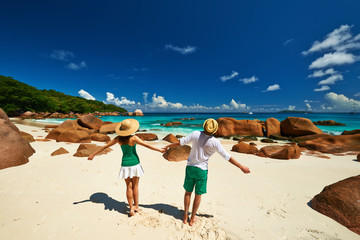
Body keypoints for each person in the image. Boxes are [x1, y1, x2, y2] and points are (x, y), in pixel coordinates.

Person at [163, 118, 250, 226]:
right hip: (202, 171)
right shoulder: (215, 142)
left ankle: (185, 215)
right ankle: (193, 218)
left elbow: (180, 142)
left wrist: (167, 146)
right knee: (198, 195)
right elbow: (227, 157)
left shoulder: (195, 134)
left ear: (204, 126)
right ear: (215, 130)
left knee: (187, 193)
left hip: (190, 168)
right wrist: (241, 166)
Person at [88, 119, 165, 216]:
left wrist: (93, 154)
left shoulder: (118, 139)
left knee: (128, 186)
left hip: (125, 165)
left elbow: (105, 147)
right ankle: (136, 206)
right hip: (135, 164)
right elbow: (147, 145)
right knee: (135, 186)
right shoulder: (134, 138)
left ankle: (131, 208)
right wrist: (159, 150)